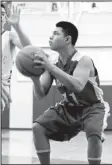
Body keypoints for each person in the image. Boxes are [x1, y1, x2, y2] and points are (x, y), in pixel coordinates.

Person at [8, 5, 110, 165]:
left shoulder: (83, 60)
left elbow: (77, 86)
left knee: (93, 132)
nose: (50, 37)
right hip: (68, 108)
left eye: (55, 34)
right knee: (37, 128)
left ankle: (96, 133)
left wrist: (50, 67)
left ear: (67, 39)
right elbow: (40, 94)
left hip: (92, 107)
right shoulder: (53, 63)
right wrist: (35, 77)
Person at [1, 3, 30, 111]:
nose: (1, 16)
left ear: (5, 18)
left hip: (3, 84)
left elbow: (28, 48)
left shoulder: (9, 35)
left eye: (3, 14)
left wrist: (17, 27)